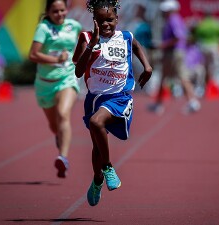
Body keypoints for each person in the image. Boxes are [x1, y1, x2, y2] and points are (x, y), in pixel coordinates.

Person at [72, 0, 152, 206]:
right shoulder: (87, 37)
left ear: (117, 19)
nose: (106, 24)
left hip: (119, 96)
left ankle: (107, 168)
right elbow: (78, 70)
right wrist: (91, 45)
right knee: (97, 147)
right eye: (101, 21)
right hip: (95, 99)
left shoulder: (125, 36)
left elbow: (136, 45)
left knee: (97, 123)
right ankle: (97, 179)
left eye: (110, 20)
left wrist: (147, 66)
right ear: (94, 21)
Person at [28, 0, 82, 178]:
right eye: (55, 11)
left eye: (62, 10)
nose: (60, 14)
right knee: (54, 125)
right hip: (45, 84)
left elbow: (85, 44)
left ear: (67, 9)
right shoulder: (43, 28)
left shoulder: (74, 26)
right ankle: (59, 137)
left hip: (67, 78)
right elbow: (33, 54)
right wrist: (56, 59)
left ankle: (63, 158)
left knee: (63, 114)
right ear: (48, 12)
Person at [149, 0, 200, 115]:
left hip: (173, 53)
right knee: (173, 77)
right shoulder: (176, 19)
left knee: (178, 77)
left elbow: (178, 37)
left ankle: (191, 101)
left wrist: (162, 45)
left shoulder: (173, 19)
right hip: (175, 52)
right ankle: (191, 101)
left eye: (164, 11)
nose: (162, 13)